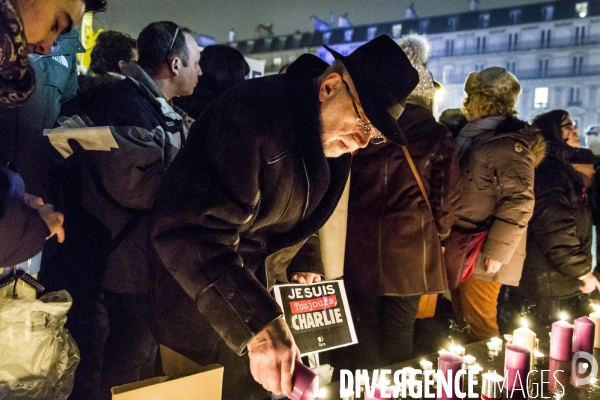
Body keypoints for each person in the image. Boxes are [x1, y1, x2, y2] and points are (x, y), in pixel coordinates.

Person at [150, 35, 418, 399]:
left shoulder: (325, 135)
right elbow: (192, 231)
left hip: (259, 300)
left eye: (376, 136)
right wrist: (257, 322)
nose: (363, 141)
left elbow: (298, 215)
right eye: (365, 123)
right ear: (330, 86)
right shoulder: (252, 116)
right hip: (203, 303)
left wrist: (304, 260)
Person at [42, 21, 200, 399]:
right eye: (197, 61)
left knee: (132, 364)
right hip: (122, 269)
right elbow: (137, 188)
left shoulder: (155, 108)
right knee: (120, 370)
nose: (201, 71)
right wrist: (197, 185)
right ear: (175, 64)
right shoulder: (129, 107)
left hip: (133, 265)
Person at [336, 34, 461, 370]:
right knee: (400, 331)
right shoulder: (435, 134)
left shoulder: (366, 126)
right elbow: (447, 197)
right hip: (412, 249)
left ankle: (363, 388)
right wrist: (442, 235)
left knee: (363, 330)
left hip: (359, 244)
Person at [0, 0, 106, 267]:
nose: (47, 44)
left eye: (60, 31)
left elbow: (65, 112)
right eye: (56, 24)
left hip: (31, 203)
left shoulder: (66, 49)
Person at [444, 67, 543, 342]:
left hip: (484, 251)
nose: (466, 104)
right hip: (466, 245)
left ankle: (496, 381)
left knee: (480, 327)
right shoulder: (477, 136)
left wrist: (496, 253)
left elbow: (520, 202)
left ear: (482, 100)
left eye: (471, 98)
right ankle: (467, 380)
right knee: (464, 321)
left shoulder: (507, 144)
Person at [513, 110, 600, 325]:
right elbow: (555, 228)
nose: (575, 129)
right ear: (553, 132)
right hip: (549, 282)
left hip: (558, 279)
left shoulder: (562, 168)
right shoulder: (550, 172)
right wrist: (581, 271)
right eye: (568, 125)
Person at [173, 44, 249, 119]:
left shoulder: (173, 103)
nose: (244, 81)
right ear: (231, 75)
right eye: (242, 75)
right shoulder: (230, 113)